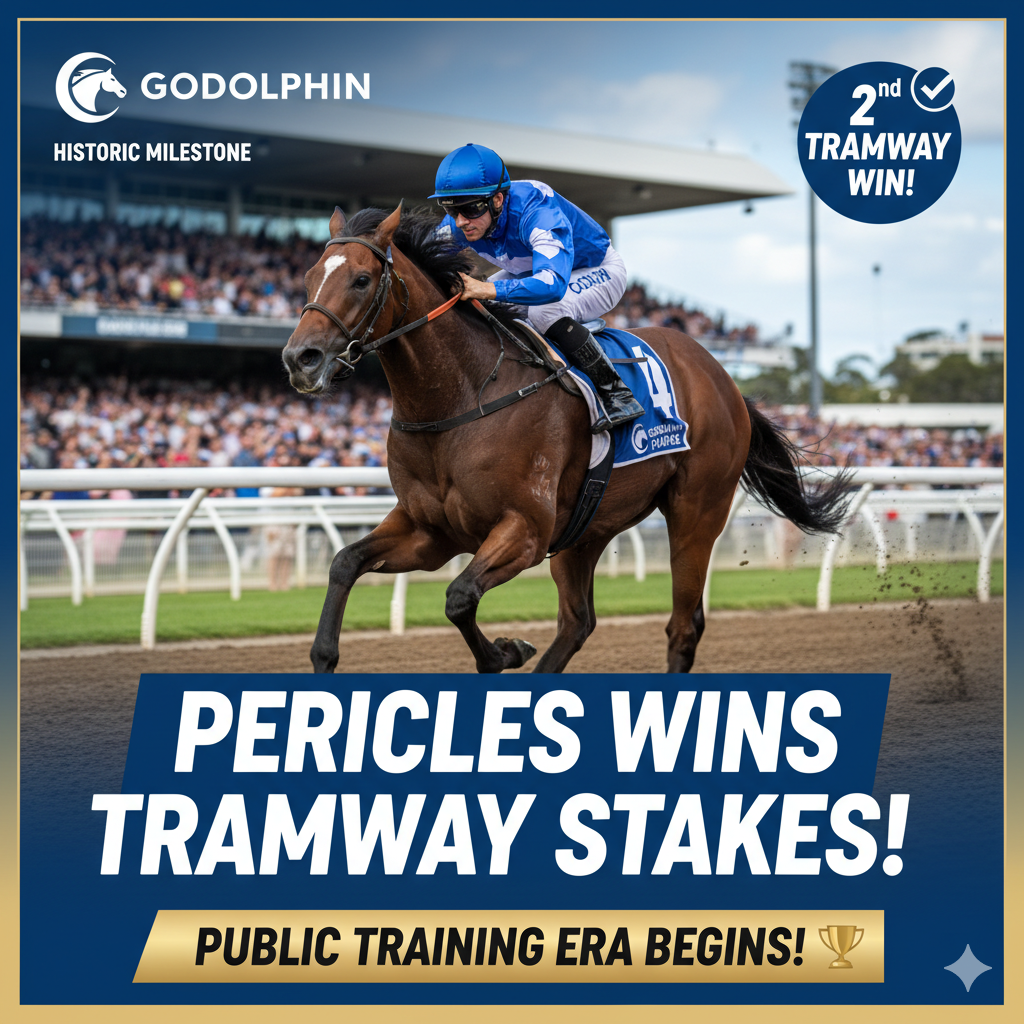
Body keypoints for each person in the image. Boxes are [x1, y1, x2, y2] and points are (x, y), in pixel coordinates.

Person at [430, 143, 644, 433]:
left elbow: (552, 285)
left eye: (470, 208)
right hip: (533, 270)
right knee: (476, 308)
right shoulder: (462, 221)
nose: (460, 221)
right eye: (451, 209)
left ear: (497, 200)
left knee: (544, 311)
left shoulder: (537, 212)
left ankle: (617, 393)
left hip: (595, 269)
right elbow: (415, 255)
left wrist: (487, 289)